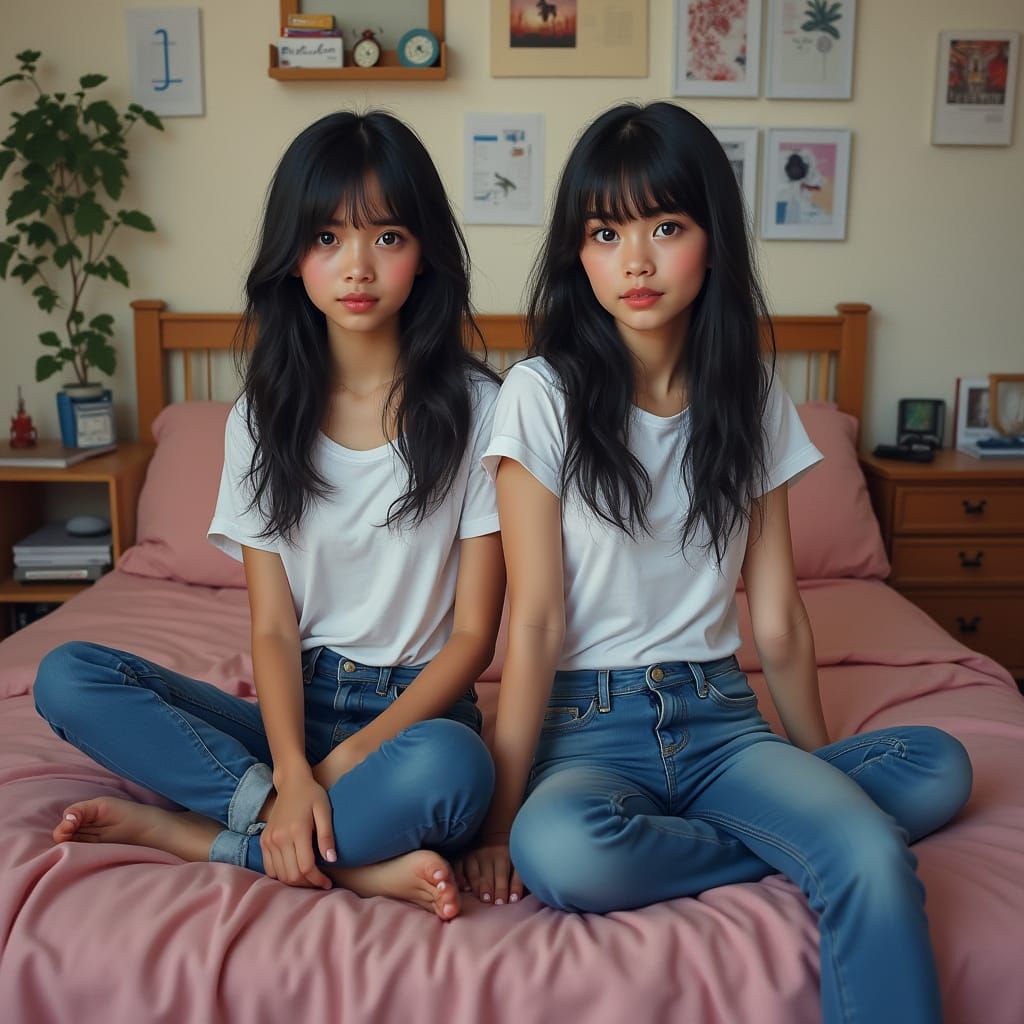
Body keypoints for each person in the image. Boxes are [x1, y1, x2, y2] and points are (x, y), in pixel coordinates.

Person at [458, 102, 972, 1021]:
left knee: (939, 767)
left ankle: (780, 826)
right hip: (588, 728)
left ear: (712, 238)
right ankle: (778, 839)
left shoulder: (753, 394)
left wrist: (813, 771)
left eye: (666, 225)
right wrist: (499, 820)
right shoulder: (540, 395)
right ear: (579, 253)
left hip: (723, 722)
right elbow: (531, 620)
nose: (637, 261)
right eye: (605, 232)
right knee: (562, 852)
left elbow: (776, 615)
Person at [33, 110, 504, 922]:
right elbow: (275, 629)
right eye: (327, 238)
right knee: (66, 676)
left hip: (415, 720)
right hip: (298, 708)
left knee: (457, 771)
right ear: (293, 258)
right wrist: (289, 772)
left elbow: (473, 639)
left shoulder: (482, 409)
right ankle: (336, 857)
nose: (356, 266)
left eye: (387, 237)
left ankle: (201, 837)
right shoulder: (263, 413)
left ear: (425, 253)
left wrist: (341, 765)